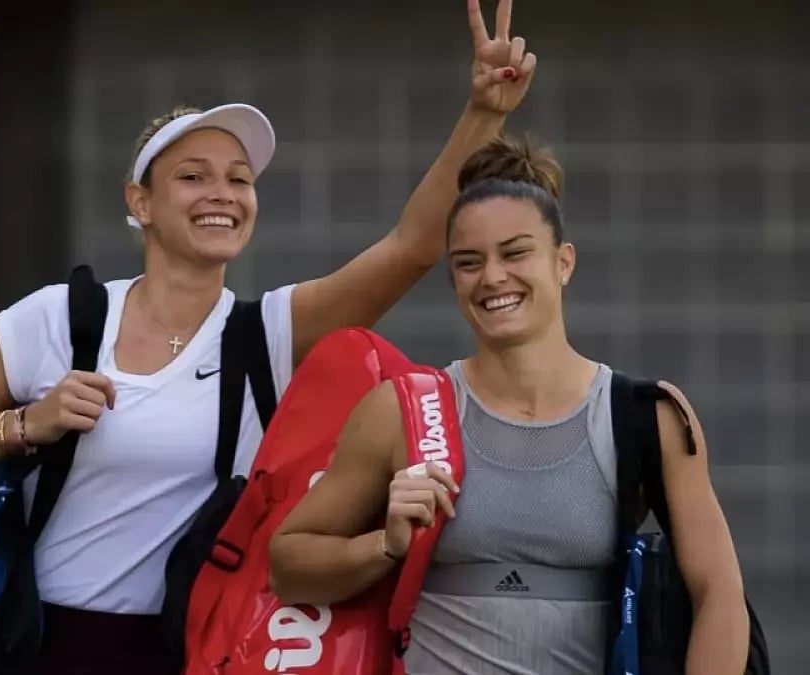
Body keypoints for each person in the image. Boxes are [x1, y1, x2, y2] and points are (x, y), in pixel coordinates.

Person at [0, 1, 536, 672]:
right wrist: (26, 423)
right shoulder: (58, 318)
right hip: (50, 647)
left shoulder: (265, 335)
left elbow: (411, 247)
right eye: (192, 176)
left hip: (197, 649)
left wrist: (483, 112)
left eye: (239, 179)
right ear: (141, 203)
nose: (220, 194)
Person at [268, 134, 752, 674]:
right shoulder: (404, 409)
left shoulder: (644, 416)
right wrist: (385, 545)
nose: (493, 277)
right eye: (469, 262)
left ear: (563, 262)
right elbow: (287, 565)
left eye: (516, 253)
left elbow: (719, 592)